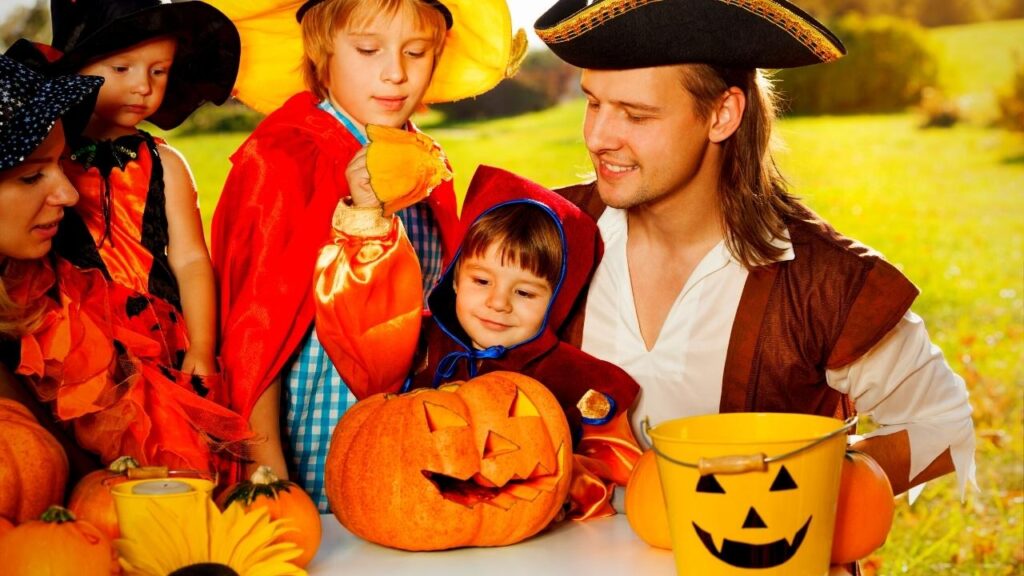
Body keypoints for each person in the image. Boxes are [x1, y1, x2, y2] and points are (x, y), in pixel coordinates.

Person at [535, 0, 974, 500]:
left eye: (636, 115)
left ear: (722, 115)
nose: (597, 137)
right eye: (593, 103)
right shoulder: (544, 234)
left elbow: (943, 426)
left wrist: (785, 487)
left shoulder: (822, 280)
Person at [211, 0, 523, 507]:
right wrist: (267, 476)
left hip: (403, 459)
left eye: (416, 52)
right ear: (322, 52)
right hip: (309, 460)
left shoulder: (425, 165)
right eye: (368, 49)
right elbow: (251, 334)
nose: (395, 73)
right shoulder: (281, 158)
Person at [317, 165, 644, 518]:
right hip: (415, 520)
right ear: (456, 278)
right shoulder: (418, 346)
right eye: (481, 282)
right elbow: (361, 317)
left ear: (556, 301)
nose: (498, 303)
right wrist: (365, 220)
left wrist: (567, 483)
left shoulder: (575, 379)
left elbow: (614, 461)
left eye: (523, 292)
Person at [0, 53, 251, 477]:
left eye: (61, 164)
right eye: (30, 176)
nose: (70, 194)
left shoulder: (38, 294)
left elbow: (191, 258)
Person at [33, 0, 240, 380]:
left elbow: (192, 260)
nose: (143, 86)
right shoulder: (49, 159)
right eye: (121, 68)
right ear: (77, 66)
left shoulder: (167, 166)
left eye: (159, 71)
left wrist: (202, 347)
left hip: (158, 342)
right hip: (71, 338)